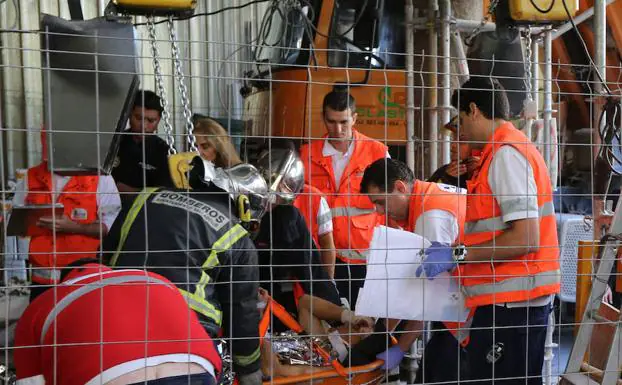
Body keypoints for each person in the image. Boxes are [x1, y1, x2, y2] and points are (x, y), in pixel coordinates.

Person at [417, 77, 559, 385]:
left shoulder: (507, 155)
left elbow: (526, 238)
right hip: (506, 306)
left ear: (474, 110)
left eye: (461, 120)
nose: (462, 131)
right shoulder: (501, 154)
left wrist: (457, 255)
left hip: (512, 308)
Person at [103, 158, 269, 385]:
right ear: (244, 205)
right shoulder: (237, 237)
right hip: (184, 338)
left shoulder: (145, 197)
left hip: (114, 320)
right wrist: (249, 369)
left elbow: (108, 252)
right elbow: (241, 311)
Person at [13, 260, 222, 385]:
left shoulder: (44, 304)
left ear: (65, 281)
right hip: (196, 370)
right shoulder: (156, 280)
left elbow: (30, 381)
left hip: (110, 378)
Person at [360, 158, 468, 378]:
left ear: (400, 187)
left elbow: (428, 294)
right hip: (466, 304)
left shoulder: (430, 216)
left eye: (381, 201)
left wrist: (400, 347)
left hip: (472, 312)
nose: (380, 211)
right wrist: (382, 328)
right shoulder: (427, 196)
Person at [300, 90, 389, 307]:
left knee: (362, 324)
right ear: (323, 118)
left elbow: (393, 205)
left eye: (344, 122)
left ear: (355, 119)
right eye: (331, 122)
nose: (337, 129)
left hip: (364, 260)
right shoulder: (306, 155)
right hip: (320, 258)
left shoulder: (376, 152)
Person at [12, 130, 121, 301]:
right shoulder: (31, 177)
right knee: (42, 325)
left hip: (82, 277)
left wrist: (73, 227)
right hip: (42, 280)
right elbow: (17, 224)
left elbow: (110, 227)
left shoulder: (100, 178)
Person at [253, 148, 342, 325]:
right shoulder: (246, 201)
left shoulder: (295, 212)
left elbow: (315, 264)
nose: (272, 198)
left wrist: (333, 307)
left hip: (292, 286)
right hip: (260, 283)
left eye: (280, 191)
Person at [112, 89, 175, 204]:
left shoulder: (165, 151)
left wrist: (124, 189)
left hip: (148, 212)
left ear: (158, 121)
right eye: (139, 118)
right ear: (129, 115)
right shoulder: (114, 143)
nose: (143, 126)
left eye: (151, 120)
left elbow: (164, 193)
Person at [428, 116, 480, 189]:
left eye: (461, 140)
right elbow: (425, 198)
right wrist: (446, 180)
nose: (453, 145)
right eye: (452, 139)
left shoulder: (490, 168)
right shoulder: (444, 171)